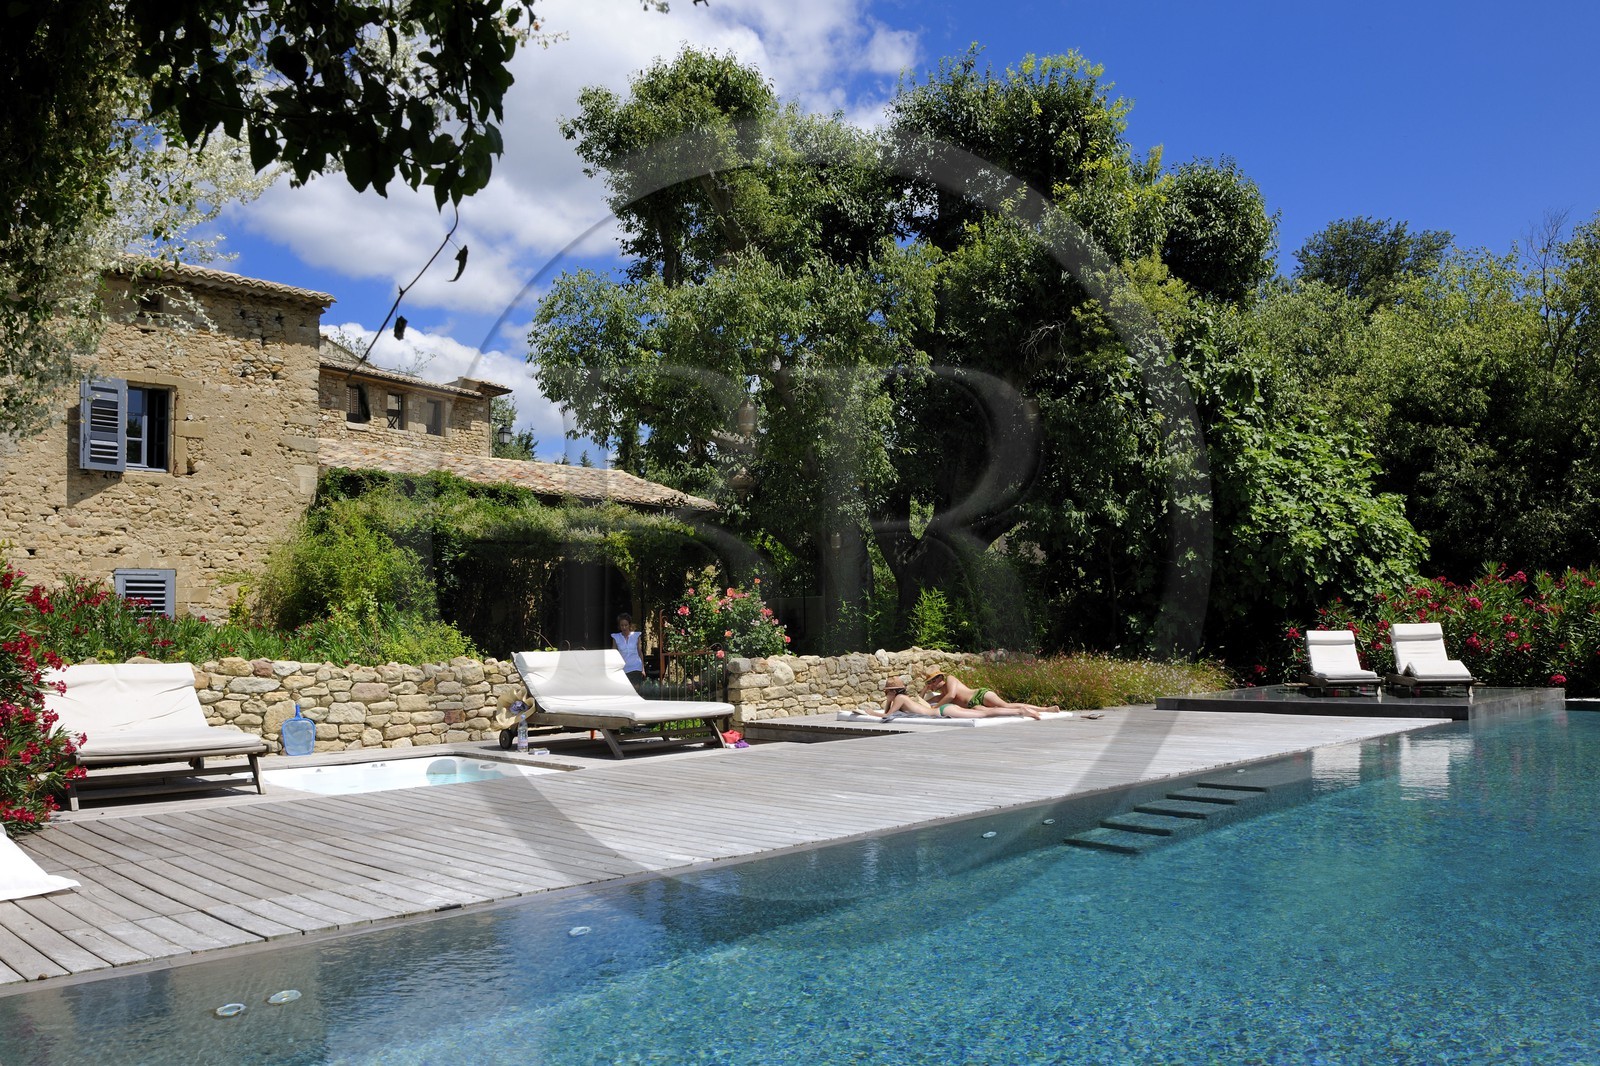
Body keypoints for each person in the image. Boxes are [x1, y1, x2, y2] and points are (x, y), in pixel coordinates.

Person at [857, 677, 1046, 720]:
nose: (885, 695)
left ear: (893, 692)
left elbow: (886, 715)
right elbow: (888, 710)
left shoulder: (900, 700)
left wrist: (869, 712)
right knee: (983, 712)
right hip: (941, 711)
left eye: (887, 692)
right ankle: (1020, 710)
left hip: (940, 711)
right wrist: (888, 700)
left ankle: (1020, 710)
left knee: (983, 715)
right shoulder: (901, 698)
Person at [920, 671, 1059, 716]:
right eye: (929, 683)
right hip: (973, 705)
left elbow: (951, 695)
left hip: (978, 695)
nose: (931, 685)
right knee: (996, 711)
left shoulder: (950, 680)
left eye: (931, 682)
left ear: (939, 679)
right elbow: (921, 702)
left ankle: (1046, 709)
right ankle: (1023, 711)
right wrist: (925, 690)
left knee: (1005, 705)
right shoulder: (940, 697)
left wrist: (935, 707)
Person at [611, 613, 646, 689]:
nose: (624, 627)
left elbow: (640, 652)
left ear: (629, 625)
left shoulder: (636, 636)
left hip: (636, 667)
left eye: (626, 625)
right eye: (622, 625)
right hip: (623, 668)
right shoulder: (616, 637)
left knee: (635, 688)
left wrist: (643, 668)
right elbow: (613, 654)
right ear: (619, 626)